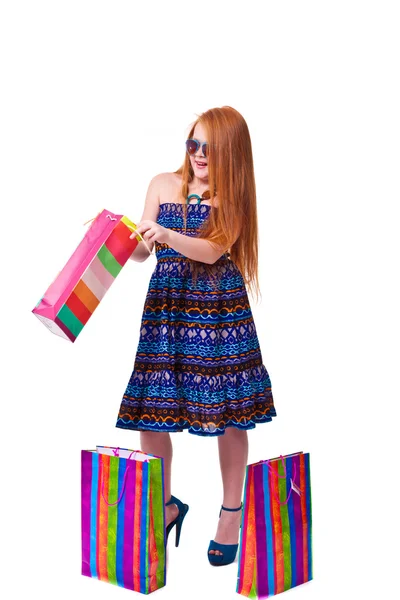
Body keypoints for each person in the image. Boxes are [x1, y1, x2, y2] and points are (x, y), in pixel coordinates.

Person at [115, 106, 276, 566]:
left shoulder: (234, 196)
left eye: (211, 147)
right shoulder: (162, 184)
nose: (199, 154)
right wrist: (119, 237)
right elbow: (145, 252)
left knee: (230, 414)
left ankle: (231, 512)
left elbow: (211, 251)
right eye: (193, 143)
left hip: (218, 311)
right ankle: (164, 505)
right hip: (167, 310)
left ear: (231, 153)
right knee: (153, 411)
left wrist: (166, 232)